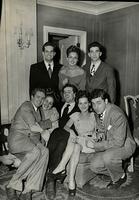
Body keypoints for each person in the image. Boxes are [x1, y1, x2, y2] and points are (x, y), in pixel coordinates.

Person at [86, 89, 136, 189]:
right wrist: (99, 134)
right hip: (110, 143)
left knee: (107, 157)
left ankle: (120, 177)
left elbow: (118, 142)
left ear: (106, 101)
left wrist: (95, 145)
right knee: (94, 166)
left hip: (125, 145)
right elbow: (102, 128)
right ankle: (119, 170)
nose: (95, 107)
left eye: (98, 103)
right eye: (93, 104)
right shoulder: (99, 111)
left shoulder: (116, 114)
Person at [50, 90, 97, 196]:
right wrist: (71, 131)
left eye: (85, 103)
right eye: (80, 103)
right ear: (77, 104)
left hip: (90, 143)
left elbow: (98, 132)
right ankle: (71, 181)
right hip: (79, 143)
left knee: (75, 143)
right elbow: (66, 127)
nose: (83, 105)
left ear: (89, 104)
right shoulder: (75, 115)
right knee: (75, 145)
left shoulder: (94, 115)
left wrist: (87, 137)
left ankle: (61, 166)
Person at [6, 88, 49, 200]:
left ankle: (28, 189)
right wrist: (45, 129)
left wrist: (41, 144)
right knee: (35, 152)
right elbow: (34, 127)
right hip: (17, 139)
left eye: (42, 98)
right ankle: (13, 184)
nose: (40, 100)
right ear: (32, 97)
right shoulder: (26, 106)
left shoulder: (38, 111)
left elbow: (34, 134)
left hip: (29, 141)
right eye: (38, 97)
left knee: (44, 151)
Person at [46, 84, 79, 199]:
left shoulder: (79, 107)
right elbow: (49, 109)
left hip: (70, 133)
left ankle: (51, 180)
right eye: (64, 92)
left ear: (75, 94)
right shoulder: (59, 105)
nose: (66, 94)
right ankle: (52, 173)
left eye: (69, 92)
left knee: (60, 145)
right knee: (50, 146)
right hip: (57, 131)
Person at [29, 42, 62, 110]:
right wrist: (34, 106)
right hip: (40, 104)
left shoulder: (61, 68)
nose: (49, 54)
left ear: (54, 53)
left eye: (51, 51)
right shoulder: (35, 67)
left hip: (56, 104)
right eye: (46, 51)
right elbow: (32, 89)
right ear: (43, 53)